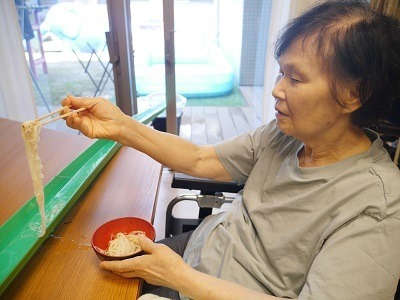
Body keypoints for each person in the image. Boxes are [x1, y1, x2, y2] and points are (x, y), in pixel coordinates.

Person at [61, 0, 400, 299]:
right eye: (282, 72)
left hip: (202, 283)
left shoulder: (378, 206)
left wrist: (181, 278)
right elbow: (200, 158)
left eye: (295, 79)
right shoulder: (286, 134)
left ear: (354, 95)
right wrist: (120, 126)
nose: (277, 90)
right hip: (199, 248)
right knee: (77, 276)